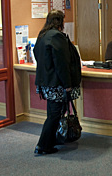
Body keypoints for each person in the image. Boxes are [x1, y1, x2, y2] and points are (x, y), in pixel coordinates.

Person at [33, 10, 82, 155]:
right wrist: (67, 85)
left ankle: (51, 140)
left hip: (45, 82)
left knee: (52, 113)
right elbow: (62, 63)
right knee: (54, 115)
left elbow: (37, 55)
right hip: (56, 83)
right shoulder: (57, 36)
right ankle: (43, 146)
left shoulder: (42, 35)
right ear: (60, 22)